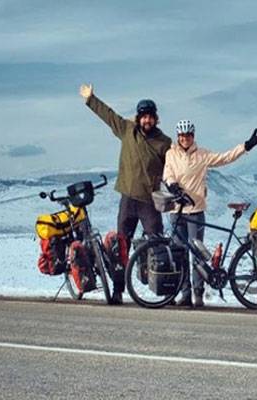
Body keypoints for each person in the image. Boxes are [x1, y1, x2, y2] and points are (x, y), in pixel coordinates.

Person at [80, 83, 172, 304]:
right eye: (144, 117)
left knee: (157, 245)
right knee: (120, 247)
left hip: (150, 201)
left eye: (151, 117)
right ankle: (118, 290)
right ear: (138, 118)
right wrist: (91, 99)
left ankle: (165, 291)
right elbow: (108, 116)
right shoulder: (127, 131)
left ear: (156, 118)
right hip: (128, 199)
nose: (147, 120)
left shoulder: (164, 142)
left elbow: (176, 167)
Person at [164, 119, 257, 307]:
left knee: (197, 256)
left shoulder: (202, 155)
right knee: (179, 255)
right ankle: (185, 294)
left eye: (188, 135)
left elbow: (225, 158)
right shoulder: (171, 154)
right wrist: (172, 184)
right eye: (182, 136)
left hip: (196, 211)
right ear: (178, 137)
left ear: (193, 136)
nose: (185, 138)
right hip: (176, 211)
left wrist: (245, 146)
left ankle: (198, 294)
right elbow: (167, 173)